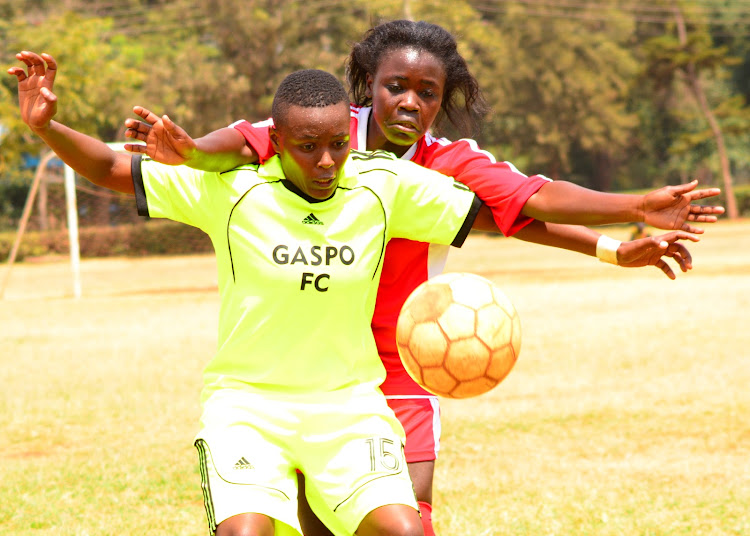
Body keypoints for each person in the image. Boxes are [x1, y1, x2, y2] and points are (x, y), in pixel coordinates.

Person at [120, 20, 722, 536]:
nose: (410, 101)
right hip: (314, 365)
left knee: (411, 516)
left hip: (407, 356)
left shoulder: (454, 162)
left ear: (443, 99)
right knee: (313, 519)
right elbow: (238, 146)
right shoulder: (321, 135)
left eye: (427, 92)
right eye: (396, 86)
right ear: (369, 86)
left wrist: (628, 222)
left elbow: (525, 207)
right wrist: (193, 151)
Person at [8, 51, 503, 536]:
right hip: (247, 408)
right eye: (308, 146)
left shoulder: (380, 185)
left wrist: (585, 238)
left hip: (347, 407)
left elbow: (507, 211)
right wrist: (46, 129)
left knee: (403, 530)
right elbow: (112, 169)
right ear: (276, 141)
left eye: (337, 143)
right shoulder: (231, 190)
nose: (327, 161)